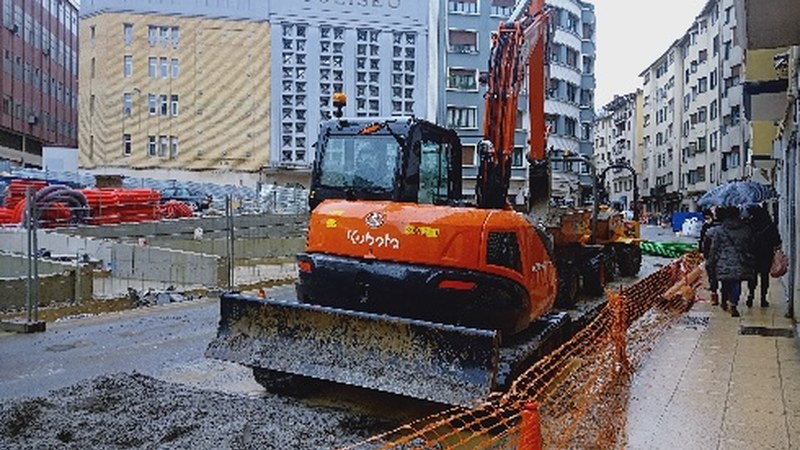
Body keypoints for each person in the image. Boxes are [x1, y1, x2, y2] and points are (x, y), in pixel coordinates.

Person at [706, 206, 755, 317]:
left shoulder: (720, 230)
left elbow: (714, 247)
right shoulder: (746, 228)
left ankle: (724, 301)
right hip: (740, 259)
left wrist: (711, 261)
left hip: (723, 261)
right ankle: (733, 303)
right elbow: (751, 243)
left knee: (725, 281)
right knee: (736, 282)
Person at [745, 205, 782, 307]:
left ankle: (751, 294)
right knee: (765, 277)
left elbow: (746, 240)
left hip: (752, 254)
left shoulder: (749, 224)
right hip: (766, 255)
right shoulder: (770, 226)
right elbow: (777, 241)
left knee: (752, 276)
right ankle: (763, 298)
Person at [699, 208, 720, 305]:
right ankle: (715, 294)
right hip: (714, 254)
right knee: (713, 275)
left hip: (713, 254)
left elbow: (703, 242)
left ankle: (714, 294)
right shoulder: (706, 226)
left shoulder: (712, 227)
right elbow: (702, 241)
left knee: (714, 275)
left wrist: (703, 252)